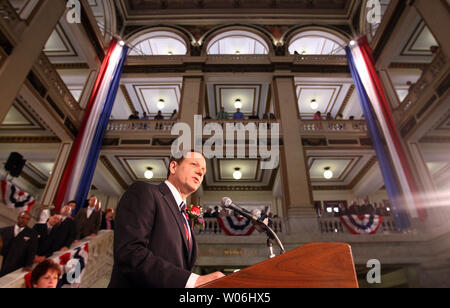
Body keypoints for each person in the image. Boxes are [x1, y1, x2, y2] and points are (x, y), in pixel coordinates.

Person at [109, 150, 225, 288]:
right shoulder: (145, 192)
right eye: (194, 164)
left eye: (203, 170)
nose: (201, 172)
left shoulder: (186, 218)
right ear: (173, 167)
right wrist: (192, 281)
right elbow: (130, 253)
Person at [0, 212, 38, 277]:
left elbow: (32, 250)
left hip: (18, 263)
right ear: (18, 218)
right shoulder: (4, 230)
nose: (24, 220)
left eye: (27, 219)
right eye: (22, 217)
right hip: (2, 261)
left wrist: (28, 265)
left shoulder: (32, 234)